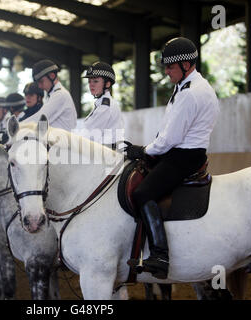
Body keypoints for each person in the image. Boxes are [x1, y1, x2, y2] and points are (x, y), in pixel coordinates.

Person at [124, 37, 220, 279]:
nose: (166, 71)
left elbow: (170, 139)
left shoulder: (190, 94)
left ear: (186, 65)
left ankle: (160, 254)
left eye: (170, 66)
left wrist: (144, 150)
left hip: (183, 156)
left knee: (142, 192)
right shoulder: (189, 87)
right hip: (183, 152)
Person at [23, 59, 77, 131]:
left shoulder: (60, 95)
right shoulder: (53, 95)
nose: (39, 86)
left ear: (52, 76)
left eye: (41, 81)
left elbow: (39, 118)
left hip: (63, 141)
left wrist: (16, 127)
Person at [80, 61, 124, 149]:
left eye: (95, 81)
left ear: (107, 84)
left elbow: (89, 134)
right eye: (89, 81)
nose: (91, 85)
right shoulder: (102, 103)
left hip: (107, 156)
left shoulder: (105, 106)